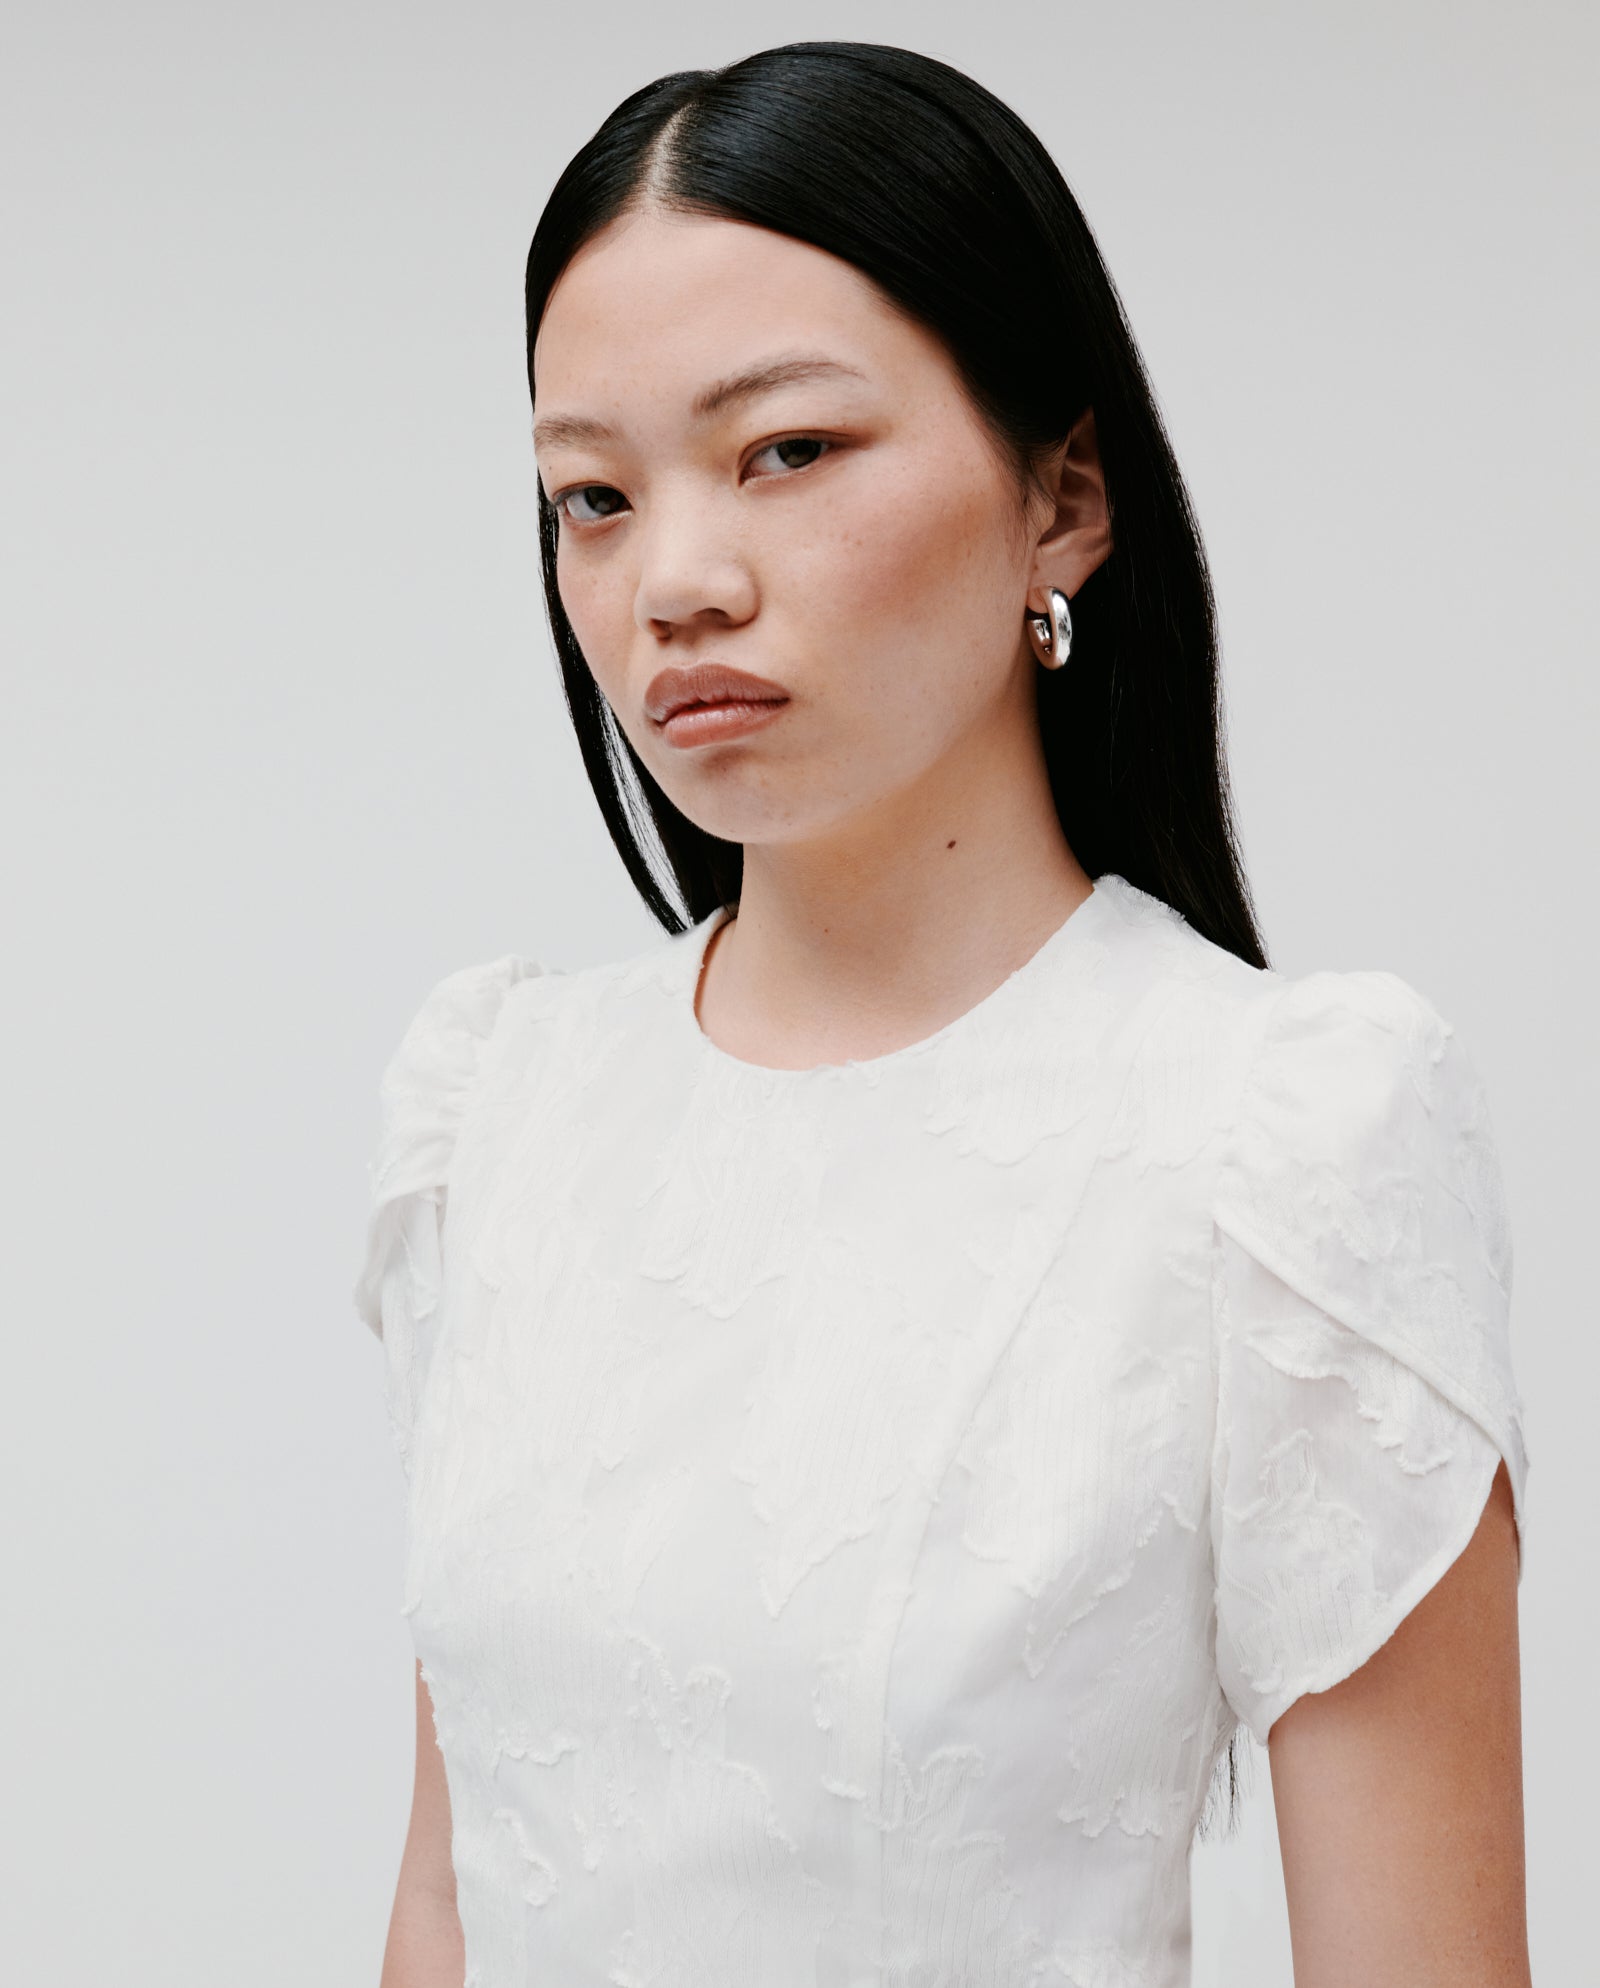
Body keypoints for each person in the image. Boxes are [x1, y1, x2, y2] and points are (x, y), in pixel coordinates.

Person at [353, 40, 1531, 1988]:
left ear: (1059, 498)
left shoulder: (1272, 1140)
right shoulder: (504, 1106)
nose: (676, 581)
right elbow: (447, 1906)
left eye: (785, 451)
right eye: (590, 495)